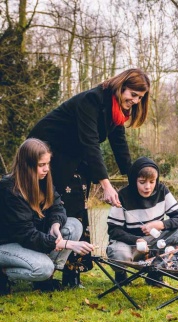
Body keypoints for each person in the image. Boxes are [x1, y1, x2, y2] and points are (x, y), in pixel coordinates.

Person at [27, 68, 150, 287]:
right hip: (48, 151)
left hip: (75, 156)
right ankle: (42, 274)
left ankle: (72, 274)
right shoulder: (92, 101)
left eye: (139, 97)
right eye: (132, 94)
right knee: (53, 208)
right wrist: (106, 184)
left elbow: (119, 145)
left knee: (78, 210)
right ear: (121, 87)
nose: (135, 101)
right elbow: (90, 142)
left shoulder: (116, 111)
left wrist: (133, 181)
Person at [0, 138, 94, 295]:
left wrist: (55, 225)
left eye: (48, 164)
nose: (46, 169)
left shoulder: (43, 181)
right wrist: (66, 244)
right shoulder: (10, 190)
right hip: (7, 244)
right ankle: (5, 273)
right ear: (27, 166)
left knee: (74, 225)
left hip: (30, 241)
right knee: (42, 268)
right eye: (41, 165)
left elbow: (58, 207)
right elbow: (26, 235)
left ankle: (46, 279)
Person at [106, 156, 178, 287]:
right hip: (131, 244)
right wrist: (135, 240)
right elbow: (113, 230)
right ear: (134, 180)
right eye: (142, 182)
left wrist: (160, 224)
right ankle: (121, 274)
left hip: (157, 243)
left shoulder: (162, 191)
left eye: (152, 182)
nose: (147, 187)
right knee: (118, 254)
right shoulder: (123, 195)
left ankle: (156, 273)